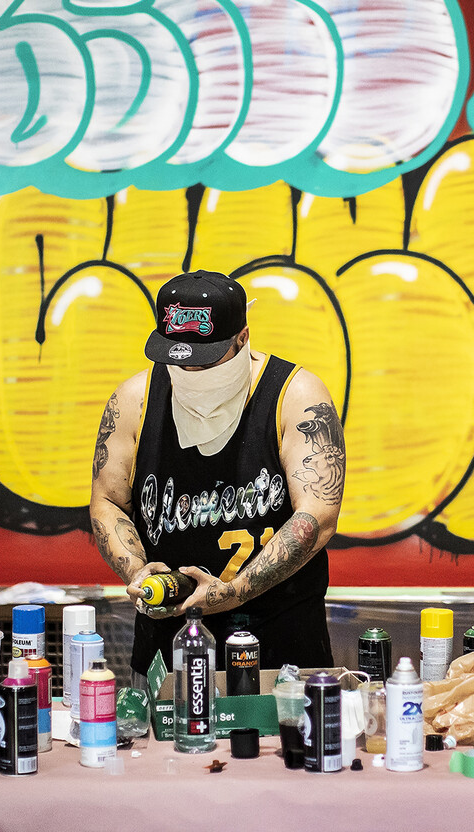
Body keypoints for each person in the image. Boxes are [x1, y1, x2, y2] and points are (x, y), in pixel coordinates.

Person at [89, 269, 343, 679]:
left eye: (205, 362)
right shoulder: (133, 400)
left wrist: (231, 595)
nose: (190, 375)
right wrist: (136, 569)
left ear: (242, 338)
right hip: (166, 651)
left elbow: (317, 516)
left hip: (279, 649)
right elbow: (107, 501)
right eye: (176, 359)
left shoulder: (296, 396)